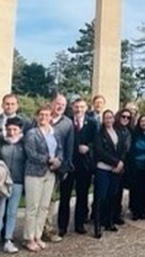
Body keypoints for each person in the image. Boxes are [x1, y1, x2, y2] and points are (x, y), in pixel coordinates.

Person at [23, 105, 63, 253]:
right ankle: (29, 238)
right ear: (37, 116)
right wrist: (48, 160)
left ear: (51, 117)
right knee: (32, 206)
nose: (44, 118)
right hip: (34, 173)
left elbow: (60, 149)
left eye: (47, 115)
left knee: (44, 206)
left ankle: (38, 235)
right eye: (41, 115)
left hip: (51, 173)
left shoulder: (55, 133)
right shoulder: (32, 133)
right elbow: (31, 153)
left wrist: (58, 160)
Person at [0, 117, 27, 256]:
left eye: (15, 129)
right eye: (9, 129)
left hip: (17, 181)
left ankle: (8, 239)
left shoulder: (23, 144)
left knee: (12, 212)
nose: (11, 132)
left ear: (20, 130)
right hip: (2, 181)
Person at [59, 98, 96, 236]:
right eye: (76, 107)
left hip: (84, 166)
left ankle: (79, 224)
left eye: (81, 107)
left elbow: (96, 141)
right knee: (65, 196)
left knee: (82, 195)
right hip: (68, 164)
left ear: (86, 108)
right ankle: (62, 226)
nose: (78, 110)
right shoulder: (67, 122)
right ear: (72, 108)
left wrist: (88, 147)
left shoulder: (92, 123)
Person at [92, 110, 130, 238]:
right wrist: (115, 162)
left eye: (111, 117)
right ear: (103, 120)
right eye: (106, 118)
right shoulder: (99, 134)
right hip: (103, 168)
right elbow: (100, 151)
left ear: (114, 119)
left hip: (116, 170)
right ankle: (97, 225)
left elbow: (123, 149)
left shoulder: (118, 132)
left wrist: (121, 163)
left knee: (112, 196)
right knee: (100, 197)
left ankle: (109, 222)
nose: (109, 120)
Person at [45, 93, 74, 242]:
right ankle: (37, 231)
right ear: (52, 103)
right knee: (40, 201)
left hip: (59, 167)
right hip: (41, 166)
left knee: (52, 200)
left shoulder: (68, 123)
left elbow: (69, 146)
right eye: (58, 103)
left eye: (63, 104)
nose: (60, 106)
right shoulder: (43, 118)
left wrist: (66, 167)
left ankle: (49, 229)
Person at [129, 115, 145, 220]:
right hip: (136, 164)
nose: (144, 123)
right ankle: (135, 211)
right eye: (142, 121)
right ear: (139, 123)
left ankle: (144, 210)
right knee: (135, 189)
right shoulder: (135, 135)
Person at [112, 109, 134, 224]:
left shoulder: (130, 130)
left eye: (128, 117)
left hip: (127, 163)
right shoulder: (114, 129)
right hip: (116, 162)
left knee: (119, 190)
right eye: (123, 116)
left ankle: (117, 213)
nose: (125, 119)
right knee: (114, 190)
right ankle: (111, 214)